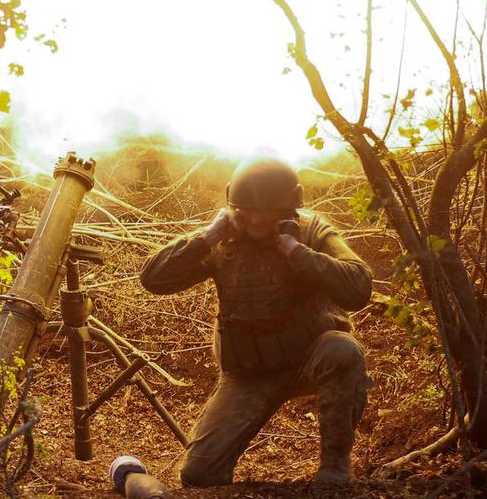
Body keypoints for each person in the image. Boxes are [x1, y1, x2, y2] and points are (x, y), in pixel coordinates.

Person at [139, 157, 373, 487]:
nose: (258, 218)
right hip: (250, 373)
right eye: (248, 209)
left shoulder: (311, 231)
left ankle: (335, 467)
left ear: (290, 207)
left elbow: (359, 286)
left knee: (342, 350)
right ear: (234, 206)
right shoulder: (222, 241)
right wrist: (206, 238)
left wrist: (297, 252)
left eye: (270, 210)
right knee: (200, 474)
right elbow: (152, 279)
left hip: (309, 357)